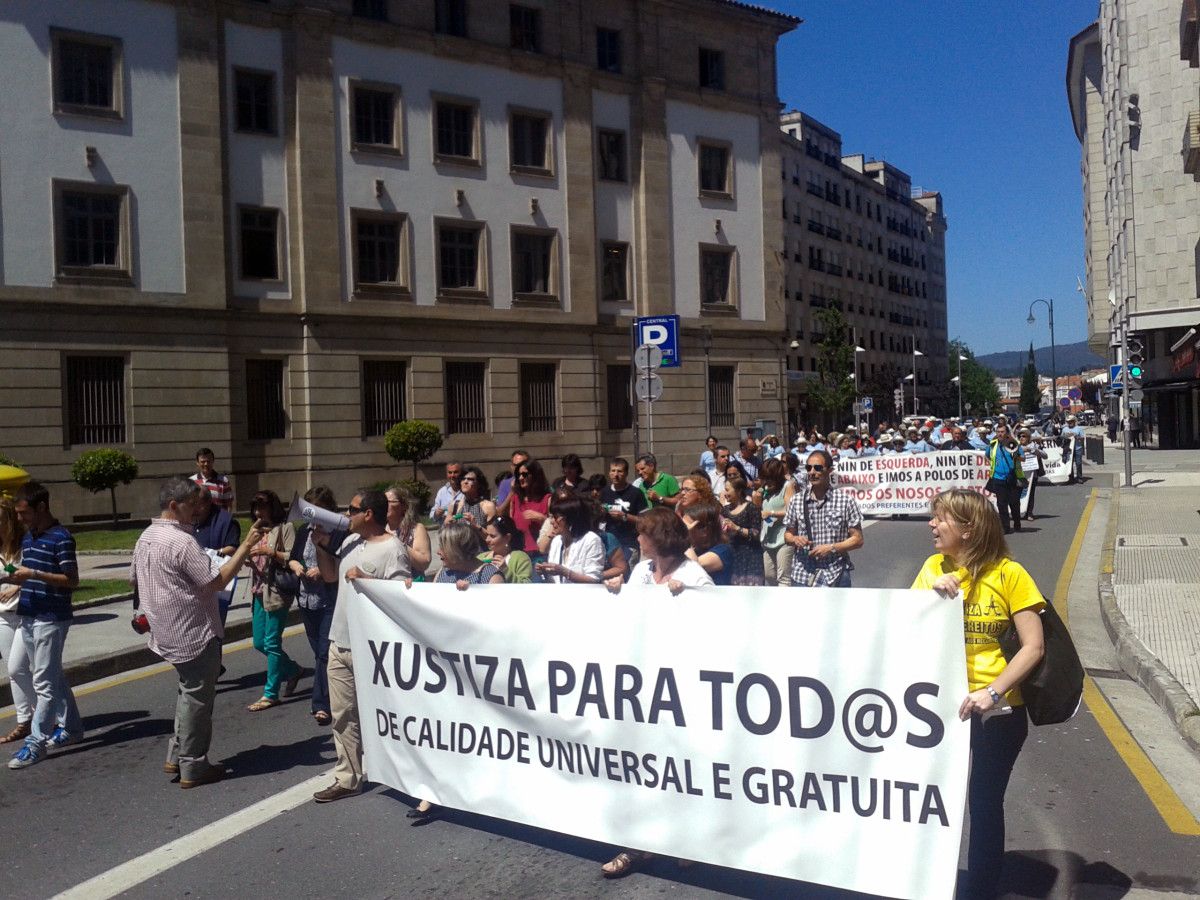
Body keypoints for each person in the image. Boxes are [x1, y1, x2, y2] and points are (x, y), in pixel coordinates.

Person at [912, 489, 1046, 900]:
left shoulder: (1009, 574)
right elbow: (904, 627)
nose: (932, 525)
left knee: (983, 803)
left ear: (968, 529)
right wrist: (930, 595)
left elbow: (1033, 647)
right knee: (928, 797)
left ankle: (980, 890)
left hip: (996, 712)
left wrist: (993, 691)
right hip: (940, 709)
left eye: (941, 519)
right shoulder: (933, 566)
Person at [599, 509, 712, 878]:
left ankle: (688, 838)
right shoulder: (640, 572)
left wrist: (689, 598)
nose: (638, 540)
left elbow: (718, 622)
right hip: (642, 683)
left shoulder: (693, 575)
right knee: (642, 764)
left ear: (659, 537)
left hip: (681, 686)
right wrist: (616, 594)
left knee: (679, 764)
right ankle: (639, 843)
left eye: (643, 534)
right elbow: (628, 618)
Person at [131, 477, 265, 787]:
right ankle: (193, 764)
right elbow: (215, 581)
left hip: (166, 629)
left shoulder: (146, 536)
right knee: (197, 699)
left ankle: (177, 754)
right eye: (192, 505)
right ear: (174, 506)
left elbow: (133, 581)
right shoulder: (181, 541)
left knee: (188, 690)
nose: (197, 511)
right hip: (192, 631)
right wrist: (246, 546)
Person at [313, 489, 411, 803]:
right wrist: (320, 547)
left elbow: (401, 597)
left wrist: (369, 579)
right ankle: (348, 777)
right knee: (342, 714)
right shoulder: (350, 542)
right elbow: (331, 577)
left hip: (372, 649)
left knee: (389, 714)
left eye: (352, 509)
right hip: (340, 641)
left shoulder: (393, 549)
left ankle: (407, 773)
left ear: (368, 513)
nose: (347, 514)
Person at [3, 482, 84, 770]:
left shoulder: (61, 538)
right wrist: (9, 575)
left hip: (51, 617)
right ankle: (72, 728)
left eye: (24, 513)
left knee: (44, 682)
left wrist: (34, 573)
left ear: (41, 508)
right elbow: (24, 572)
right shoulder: (29, 538)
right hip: (28, 614)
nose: (21, 519)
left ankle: (36, 742)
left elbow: (71, 580)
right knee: (50, 675)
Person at [287, 486, 343, 727]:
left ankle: (321, 704)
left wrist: (323, 570)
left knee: (323, 652)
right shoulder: (303, 532)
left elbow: (343, 560)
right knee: (320, 653)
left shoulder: (338, 533)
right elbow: (292, 557)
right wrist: (296, 566)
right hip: (306, 600)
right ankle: (335, 689)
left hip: (329, 599)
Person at [244, 490, 302, 712]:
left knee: (272, 642)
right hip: (259, 590)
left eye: (263, 507)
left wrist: (271, 552)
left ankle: (271, 693)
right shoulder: (256, 530)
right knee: (259, 642)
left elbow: (293, 557)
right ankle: (293, 670)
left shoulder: (284, 528)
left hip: (276, 590)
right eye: (256, 508)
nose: (259, 512)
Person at [783, 450, 864, 588]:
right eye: (809, 468)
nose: (812, 472)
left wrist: (832, 548)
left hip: (835, 573)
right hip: (803, 575)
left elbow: (858, 539)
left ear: (830, 470)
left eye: (818, 468)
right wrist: (796, 539)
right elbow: (787, 535)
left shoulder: (845, 501)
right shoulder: (796, 501)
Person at [0, 495, 34, 745]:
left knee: (20, 668)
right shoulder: (1, 551)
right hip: (3, 616)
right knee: (14, 671)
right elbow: (9, 572)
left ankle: (45, 718)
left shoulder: (26, 545)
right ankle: (25, 721)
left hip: (25, 615)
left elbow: (33, 575)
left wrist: (16, 587)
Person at [192, 488, 240, 627]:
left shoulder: (226, 521)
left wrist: (211, 553)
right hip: (194, 586)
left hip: (217, 582)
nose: (194, 508)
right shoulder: (190, 519)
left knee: (214, 632)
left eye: (198, 504)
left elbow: (233, 548)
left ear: (208, 503)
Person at [536, 494, 605, 584]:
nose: (551, 522)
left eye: (555, 517)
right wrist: (544, 573)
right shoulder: (557, 541)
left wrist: (565, 572)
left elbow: (594, 580)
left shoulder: (591, 540)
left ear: (569, 519)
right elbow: (554, 581)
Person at [600, 457, 648, 565]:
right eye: (613, 471)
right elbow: (598, 517)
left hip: (629, 543)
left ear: (626, 473)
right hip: (609, 543)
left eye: (619, 471)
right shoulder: (604, 492)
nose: (615, 474)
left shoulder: (636, 493)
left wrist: (625, 516)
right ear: (609, 473)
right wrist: (601, 512)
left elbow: (645, 520)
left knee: (627, 576)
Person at [720, 474, 765, 585]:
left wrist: (736, 528)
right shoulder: (725, 510)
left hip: (751, 558)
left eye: (727, 490)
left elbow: (756, 534)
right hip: (732, 556)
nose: (725, 493)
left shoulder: (751, 508)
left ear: (739, 491)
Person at [758, 458, 794, 587]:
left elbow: (791, 511)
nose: (766, 481)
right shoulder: (766, 490)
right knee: (769, 575)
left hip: (783, 537)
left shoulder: (787, 486)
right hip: (768, 537)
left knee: (783, 577)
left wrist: (772, 513)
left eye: (769, 478)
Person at [508, 459, 552, 558]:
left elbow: (557, 527)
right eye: (518, 475)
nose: (520, 478)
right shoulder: (515, 498)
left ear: (535, 475)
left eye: (525, 474)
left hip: (539, 555)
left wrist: (543, 519)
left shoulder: (547, 499)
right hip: (518, 553)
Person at [680, 501, 732, 585]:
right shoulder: (693, 550)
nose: (682, 530)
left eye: (686, 527)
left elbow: (693, 568)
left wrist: (685, 537)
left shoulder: (723, 551)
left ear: (704, 530)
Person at [386, 484, 432, 578]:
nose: (383, 505)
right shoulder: (380, 528)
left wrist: (395, 541)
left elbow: (423, 563)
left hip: (409, 584)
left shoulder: (416, 529)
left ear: (404, 506)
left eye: (388, 502)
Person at [987, 424, 1024, 535]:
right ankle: (1005, 527)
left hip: (1013, 476)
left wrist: (1014, 454)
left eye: (1002, 432)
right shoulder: (993, 445)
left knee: (1014, 503)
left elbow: (1023, 458)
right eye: (998, 431)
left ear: (1007, 433)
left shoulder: (1013, 444)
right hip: (998, 478)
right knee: (1001, 504)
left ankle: (1017, 523)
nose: (1000, 434)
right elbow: (988, 455)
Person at [481, 515, 533, 584]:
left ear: (507, 538)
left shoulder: (521, 558)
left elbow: (527, 587)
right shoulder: (481, 557)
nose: (487, 539)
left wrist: (505, 570)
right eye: (487, 535)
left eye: (492, 536)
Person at [1018, 431, 1046, 522]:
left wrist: (1033, 451)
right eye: (1020, 436)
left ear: (1028, 438)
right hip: (1019, 474)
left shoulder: (1034, 446)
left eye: (1024, 436)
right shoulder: (1016, 446)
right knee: (1018, 494)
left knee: (1030, 494)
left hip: (1032, 475)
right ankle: (1018, 512)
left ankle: (1029, 513)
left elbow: (1045, 456)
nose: (1021, 438)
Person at [1061, 415, 1086, 483]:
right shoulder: (1064, 429)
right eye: (1068, 422)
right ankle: (1070, 477)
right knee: (1069, 464)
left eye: (1071, 421)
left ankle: (1079, 477)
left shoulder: (1079, 429)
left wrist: (1077, 437)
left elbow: (1083, 438)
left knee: (1078, 463)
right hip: (1068, 449)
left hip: (1078, 448)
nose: (1070, 423)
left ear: (1074, 421)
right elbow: (1061, 437)